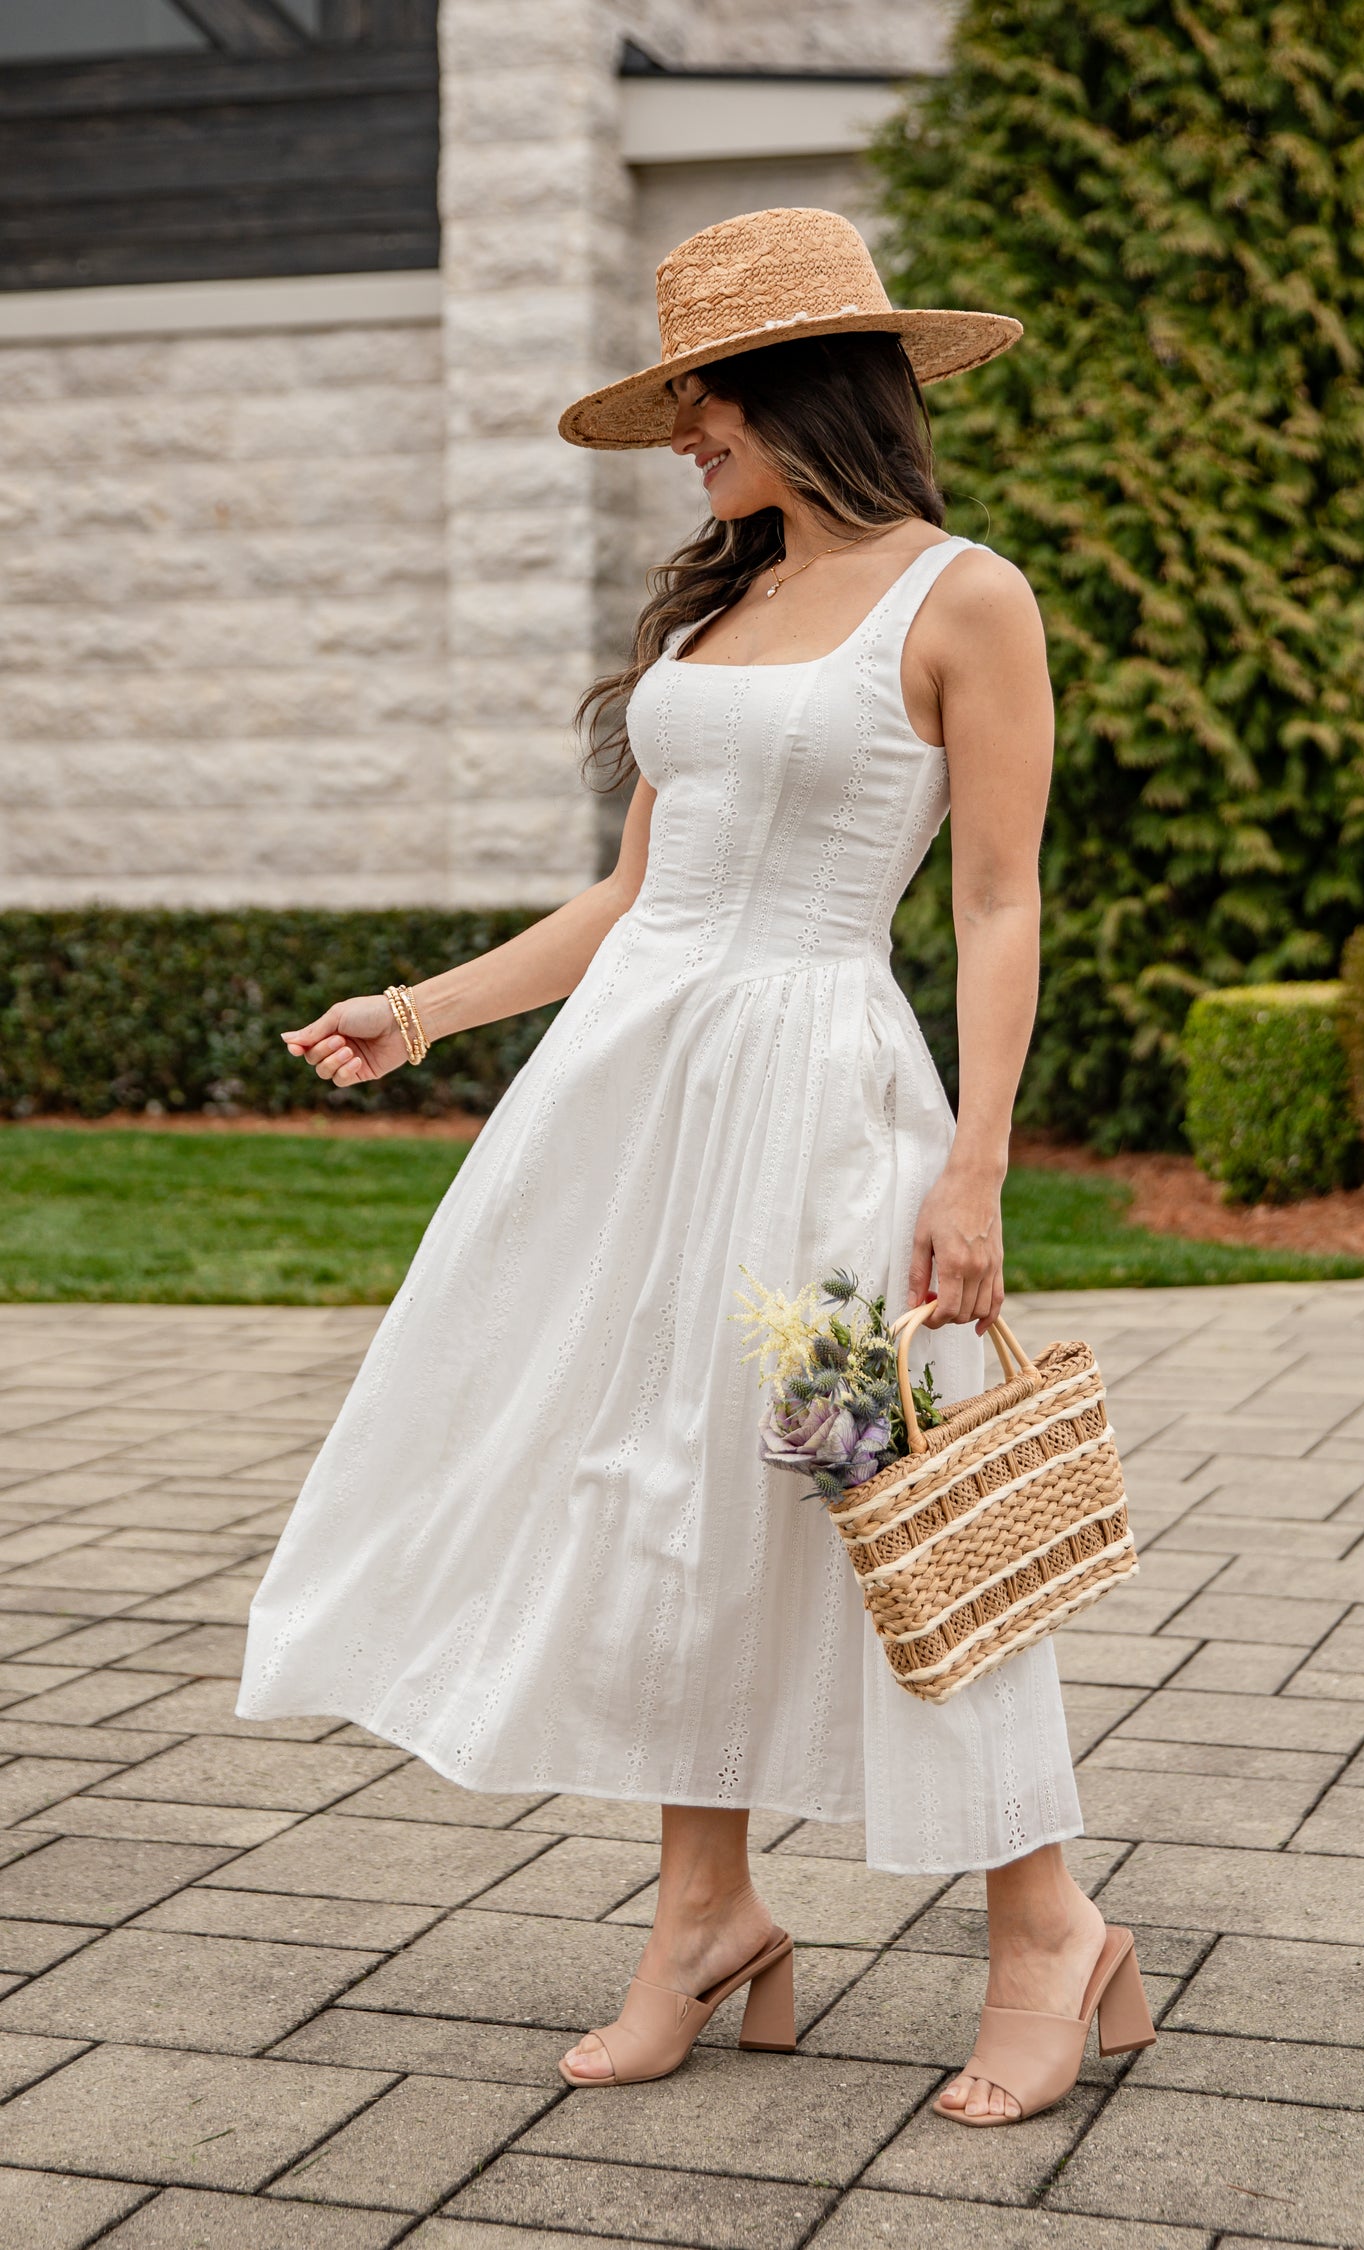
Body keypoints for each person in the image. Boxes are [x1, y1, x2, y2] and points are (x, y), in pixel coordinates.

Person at [237, 207, 1153, 2123]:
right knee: (662, 1490)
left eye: (702, 400)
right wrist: (420, 1010)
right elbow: (635, 900)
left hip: (824, 1113)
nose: (684, 439)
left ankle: (1046, 1925)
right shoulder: (718, 612)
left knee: (884, 1492)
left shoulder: (963, 597)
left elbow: (997, 903)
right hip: (636, 1116)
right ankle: (706, 1909)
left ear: (801, 388)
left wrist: (975, 1163)